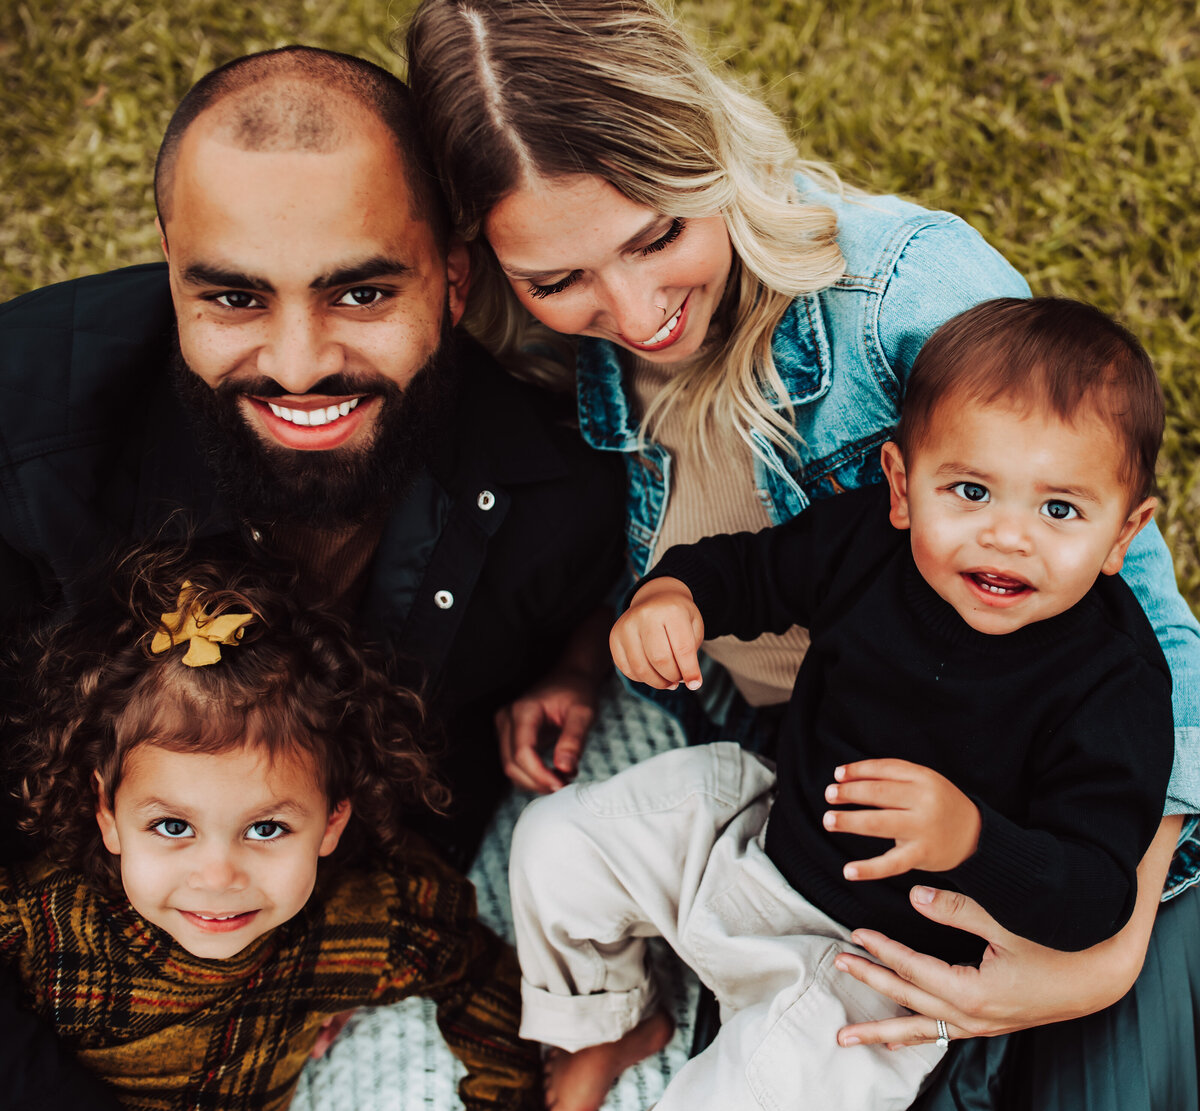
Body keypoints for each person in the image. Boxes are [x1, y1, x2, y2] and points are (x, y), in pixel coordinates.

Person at [401, 1, 1200, 1107]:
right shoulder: (552, 347)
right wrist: (593, 651)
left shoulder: (902, 298)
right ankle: (609, 1023)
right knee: (556, 845)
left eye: (656, 237)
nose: (632, 312)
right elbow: (713, 557)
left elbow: (1154, 635)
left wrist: (1108, 948)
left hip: (929, 880)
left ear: (710, 150)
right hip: (784, 776)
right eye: (557, 280)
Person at [0, 45, 623, 1110]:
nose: (298, 365)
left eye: (362, 291)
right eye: (236, 297)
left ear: (453, 279)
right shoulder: (25, 453)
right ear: (172, 268)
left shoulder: (555, 490)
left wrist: (577, 663)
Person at [509, 296, 1173, 1110]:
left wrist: (973, 839)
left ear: (1123, 534)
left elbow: (1095, 893)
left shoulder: (1113, 683)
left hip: (879, 967)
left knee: (753, 1091)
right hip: (761, 834)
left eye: (1059, 509)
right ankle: (607, 1023)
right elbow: (752, 571)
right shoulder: (869, 542)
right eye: (970, 490)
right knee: (553, 843)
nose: (1008, 535)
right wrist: (674, 595)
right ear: (901, 486)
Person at [1, 539, 540, 1111]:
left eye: (265, 830)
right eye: (173, 827)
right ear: (107, 814)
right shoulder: (41, 924)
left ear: (332, 821)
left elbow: (475, 969)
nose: (217, 877)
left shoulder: (358, 925)